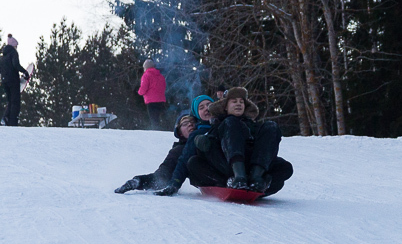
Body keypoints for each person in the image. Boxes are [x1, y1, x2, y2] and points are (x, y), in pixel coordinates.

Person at [157, 87, 293, 197]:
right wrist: (174, 184)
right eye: (234, 101)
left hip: (251, 167)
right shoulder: (214, 127)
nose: (238, 104)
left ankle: (257, 181)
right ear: (225, 107)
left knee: (285, 166)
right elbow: (183, 158)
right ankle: (234, 180)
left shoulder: (253, 126)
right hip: (224, 168)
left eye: (241, 102)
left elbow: (266, 148)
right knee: (193, 162)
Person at [114, 111, 198, 193]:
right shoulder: (178, 151)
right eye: (185, 124)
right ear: (180, 133)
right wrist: (139, 181)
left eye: (192, 122)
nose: (190, 124)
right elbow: (162, 176)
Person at [0, 34, 29, 126]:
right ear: (14, 46)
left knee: (10, 101)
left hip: (4, 81)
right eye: (16, 46)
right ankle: (13, 122)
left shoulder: (4, 56)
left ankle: (6, 118)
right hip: (13, 80)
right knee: (15, 101)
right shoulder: (13, 53)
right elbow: (16, 65)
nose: (16, 48)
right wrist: (25, 72)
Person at [138, 58, 167, 130]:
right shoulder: (161, 76)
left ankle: (156, 131)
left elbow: (143, 88)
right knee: (160, 118)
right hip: (161, 100)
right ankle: (164, 130)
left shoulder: (146, 75)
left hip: (151, 100)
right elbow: (164, 87)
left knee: (154, 119)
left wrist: (139, 92)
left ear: (146, 67)